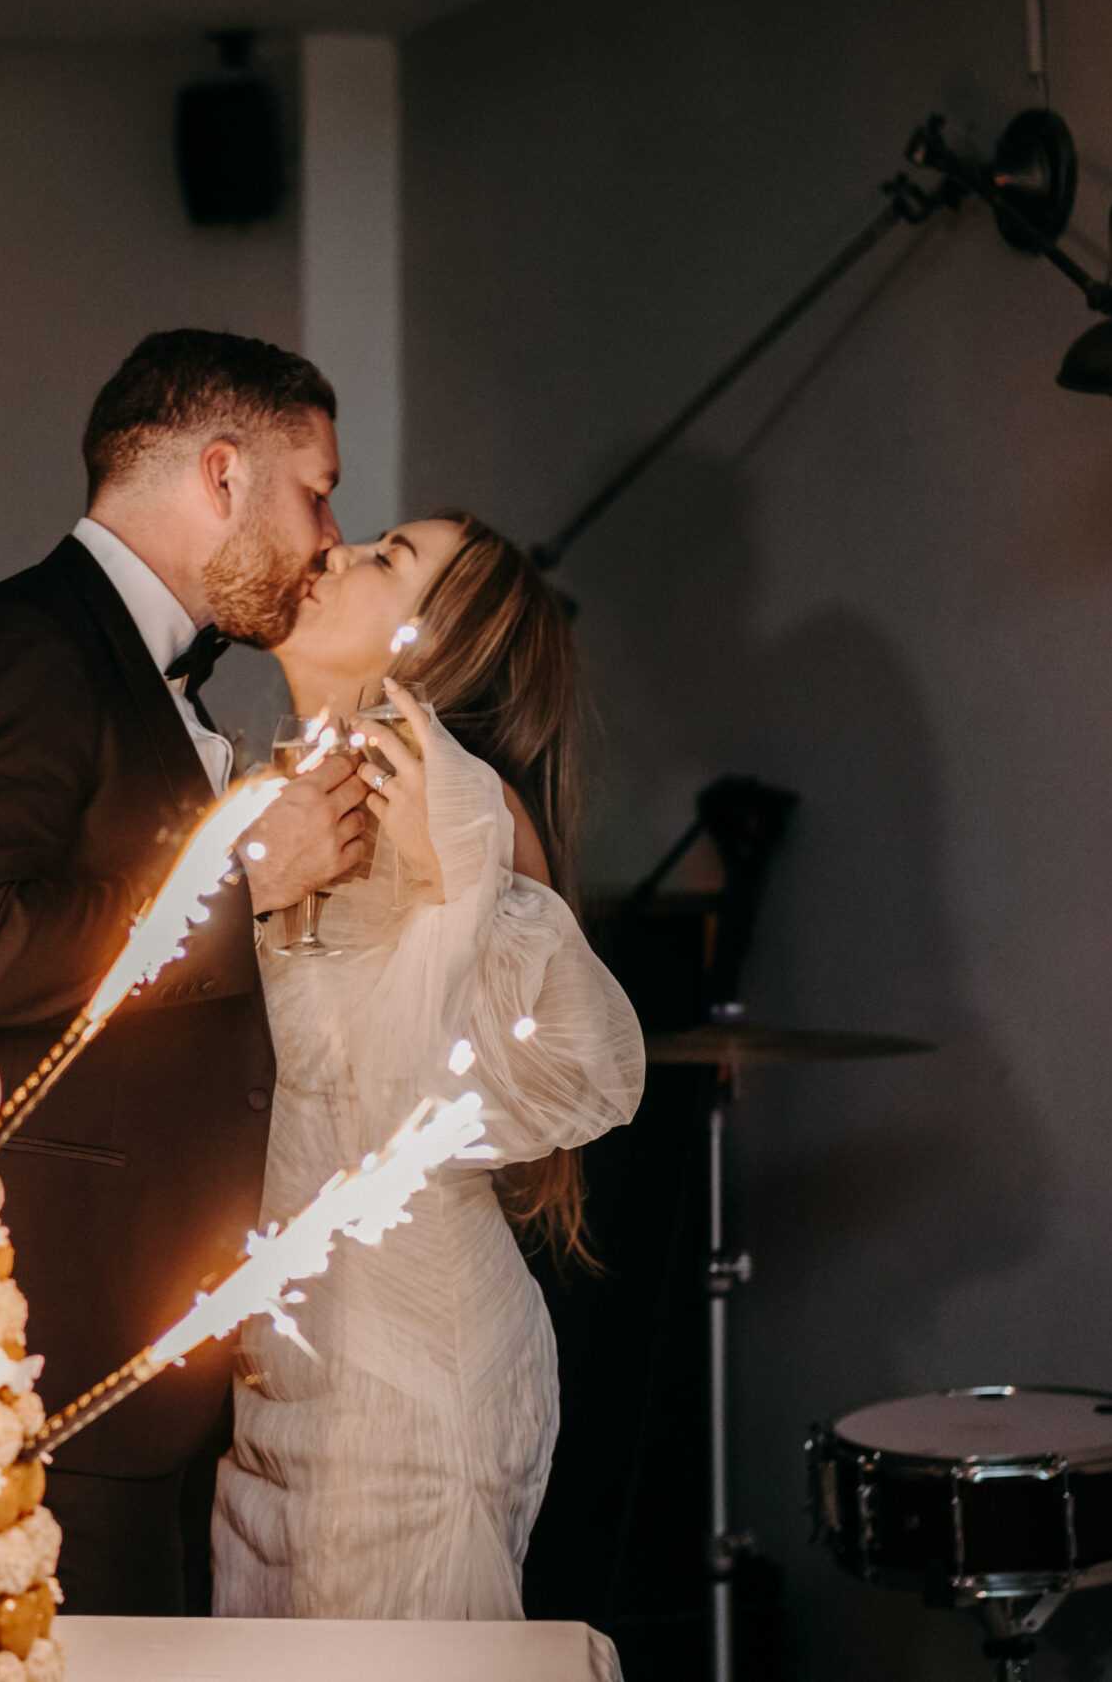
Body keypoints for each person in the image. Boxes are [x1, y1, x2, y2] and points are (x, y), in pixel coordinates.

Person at [0, 329, 366, 1614]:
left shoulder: (147, 666)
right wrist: (236, 882)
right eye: (313, 487)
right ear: (221, 473)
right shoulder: (30, 647)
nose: (330, 532)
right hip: (54, 1331)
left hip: (154, 1335)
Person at [211, 511, 647, 1624]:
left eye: (387, 560)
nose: (341, 551)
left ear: (436, 644)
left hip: (408, 1380)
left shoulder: (456, 807)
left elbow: (577, 1069)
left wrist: (456, 870)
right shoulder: (299, 786)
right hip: (291, 1369)